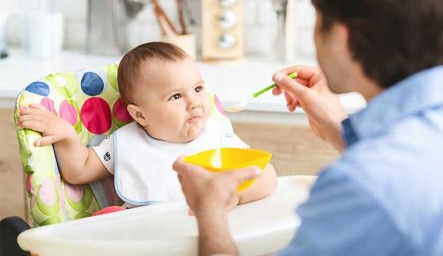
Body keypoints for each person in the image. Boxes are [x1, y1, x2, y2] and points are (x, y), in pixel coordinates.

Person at [173, 0, 443, 255]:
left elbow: (384, 186)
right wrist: (337, 128)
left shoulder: (361, 184)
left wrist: (210, 211)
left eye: (317, 18)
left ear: (348, 39)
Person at [18, 42, 277, 208]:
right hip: (149, 242)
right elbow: (81, 170)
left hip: (212, 237)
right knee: (108, 220)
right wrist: (66, 136)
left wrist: (234, 197)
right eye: (176, 96)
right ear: (140, 116)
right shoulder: (126, 143)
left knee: (268, 175)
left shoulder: (216, 133)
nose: (195, 102)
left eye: (198, 89)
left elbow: (262, 174)